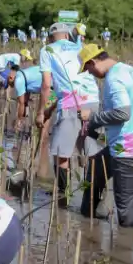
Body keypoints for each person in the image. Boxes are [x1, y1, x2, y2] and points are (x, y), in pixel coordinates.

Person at [78, 44, 133, 227]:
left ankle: (126, 247)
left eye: (88, 69)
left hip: (128, 149)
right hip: (131, 141)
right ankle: (87, 225)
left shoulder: (113, 79)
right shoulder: (128, 69)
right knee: (95, 168)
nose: (90, 74)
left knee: (124, 204)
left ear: (93, 61)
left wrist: (93, 118)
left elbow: (122, 113)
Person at [36, 23, 101, 206]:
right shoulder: (80, 47)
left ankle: (63, 198)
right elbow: (70, 83)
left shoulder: (47, 50)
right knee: (90, 152)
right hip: (93, 101)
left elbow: (46, 85)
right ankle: (93, 198)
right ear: (67, 36)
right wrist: (51, 109)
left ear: (50, 37)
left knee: (60, 153)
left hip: (70, 105)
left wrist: (41, 111)